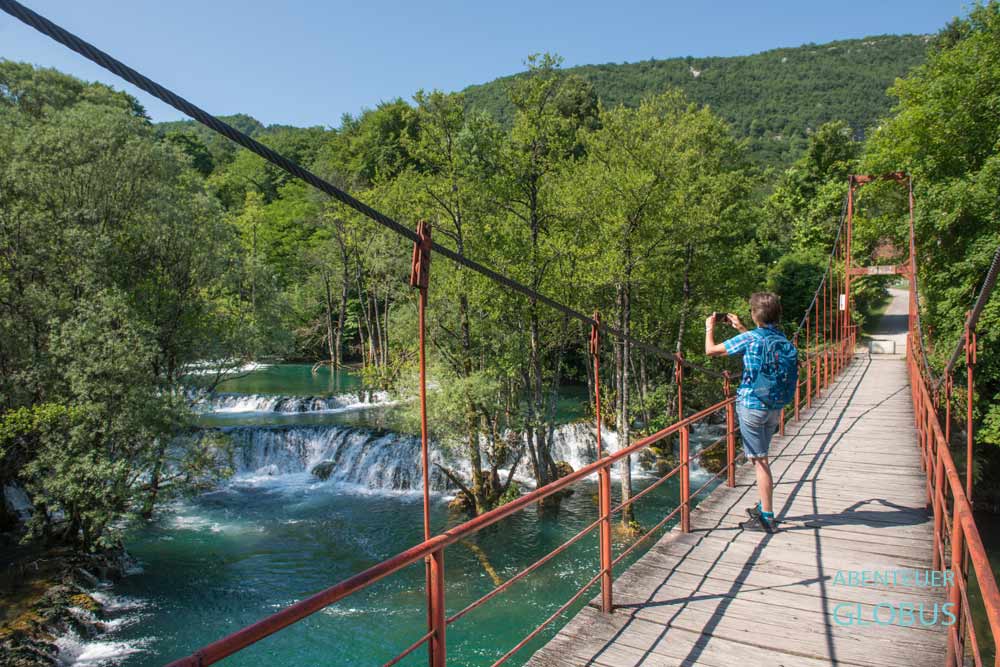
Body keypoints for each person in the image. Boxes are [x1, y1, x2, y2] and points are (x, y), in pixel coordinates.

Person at [704, 291, 792, 533]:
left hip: (752, 406)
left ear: (755, 315)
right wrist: (740, 327)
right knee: (760, 457)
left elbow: (711, 351)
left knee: (760, 461)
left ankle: (767, 517)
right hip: (774, 405)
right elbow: (757, 347)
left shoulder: (752, 338)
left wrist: (709, 327)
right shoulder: (780, 338)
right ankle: (764, 506)